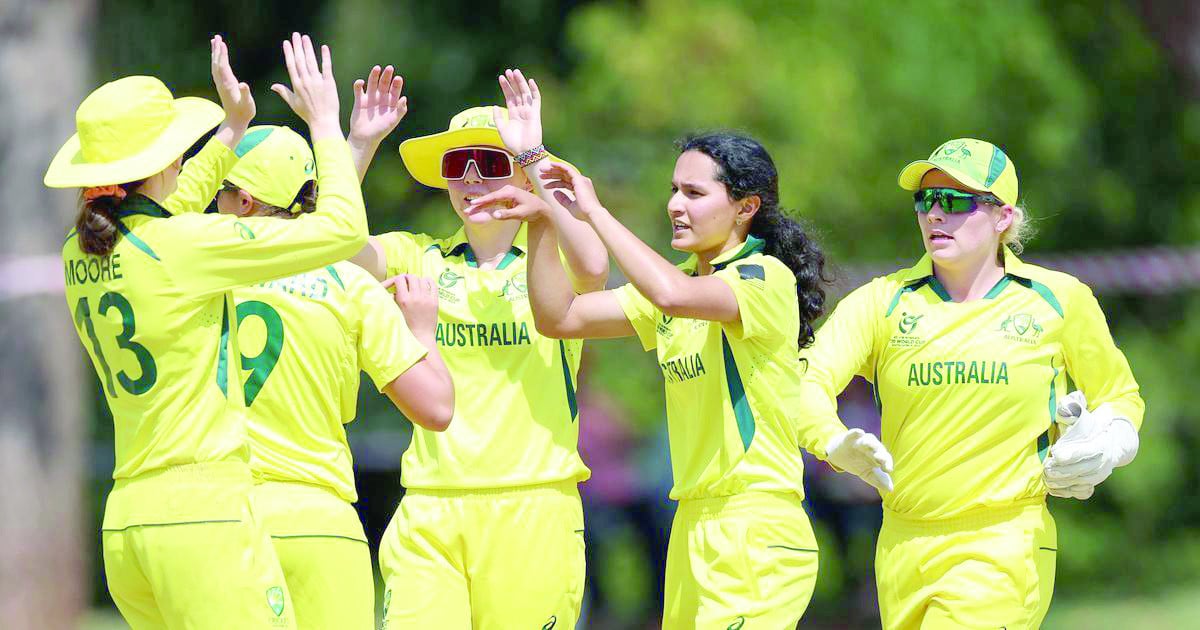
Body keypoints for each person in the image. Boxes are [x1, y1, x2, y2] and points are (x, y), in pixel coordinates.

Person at [467, 88, 894, 626]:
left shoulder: (762, 278)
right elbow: (560, 317)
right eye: (673, 190)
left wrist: (594, 210)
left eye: (694, 192)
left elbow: (669, 294)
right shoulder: (680, 288)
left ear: (746, 207)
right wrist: (544, 220)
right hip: (692, 525)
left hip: (756, 528)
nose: (674, 204)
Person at [47, 33, 367, 628]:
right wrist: (326, 126)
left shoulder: (79, 249)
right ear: (167, 159)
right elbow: (344, 229)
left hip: (127, 523)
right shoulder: (186, 244)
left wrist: (230, 134)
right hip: (204, 519)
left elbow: (171, 209)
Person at [795, 138, 1144, 629]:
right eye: (925, 200)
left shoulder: (1059, 300)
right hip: (901, 544)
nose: (935, 214)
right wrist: (831, 442)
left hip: (1003, 543)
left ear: (1003, 217)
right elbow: (807, 381)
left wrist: (1110, 444)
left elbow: (1119, 395)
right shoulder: (881, 302)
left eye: (956, 201)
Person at [347, 69, 608, 628]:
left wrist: (535, 159)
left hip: (533, 505)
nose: (470, 179)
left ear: (516, 171)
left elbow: (594, 267)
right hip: (430, 504)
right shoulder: (418, 257)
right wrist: (360, 145)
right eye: (455, 165)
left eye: (489, 164)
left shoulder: (549, 258)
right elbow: (333, 249)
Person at [206, 117, 454, 628]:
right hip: (321, 521)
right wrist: (422, 330)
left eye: (221, 192)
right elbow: (436, 407)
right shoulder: (349, 282)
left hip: (224, 516)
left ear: (246, 202)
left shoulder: (198, 270)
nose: (213, 204)